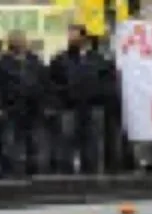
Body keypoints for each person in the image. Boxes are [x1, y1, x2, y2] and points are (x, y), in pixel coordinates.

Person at [47, 24, 111, 175]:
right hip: (69, 107)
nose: (71, 38)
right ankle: (66, 173)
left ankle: (91, 172)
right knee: (67, 141)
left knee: (92, 141)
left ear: (84, 37)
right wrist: (62, 96)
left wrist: (100, 97)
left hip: (93, 106)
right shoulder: (60, 59)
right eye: (70, 35)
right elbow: (52, 82)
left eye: (74, 35)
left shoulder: (98, 59)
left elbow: (106, 81)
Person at [0, 30, 45, 178]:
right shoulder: (1, 63)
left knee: (32, 140)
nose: (20, 43)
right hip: (10, 107)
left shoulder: (35, 61)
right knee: (9, 140)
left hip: (32, 108)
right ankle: (8, 169)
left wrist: (44, 104)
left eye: (21, 40)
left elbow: (43, 83)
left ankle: (32, 169)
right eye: (16, 40)